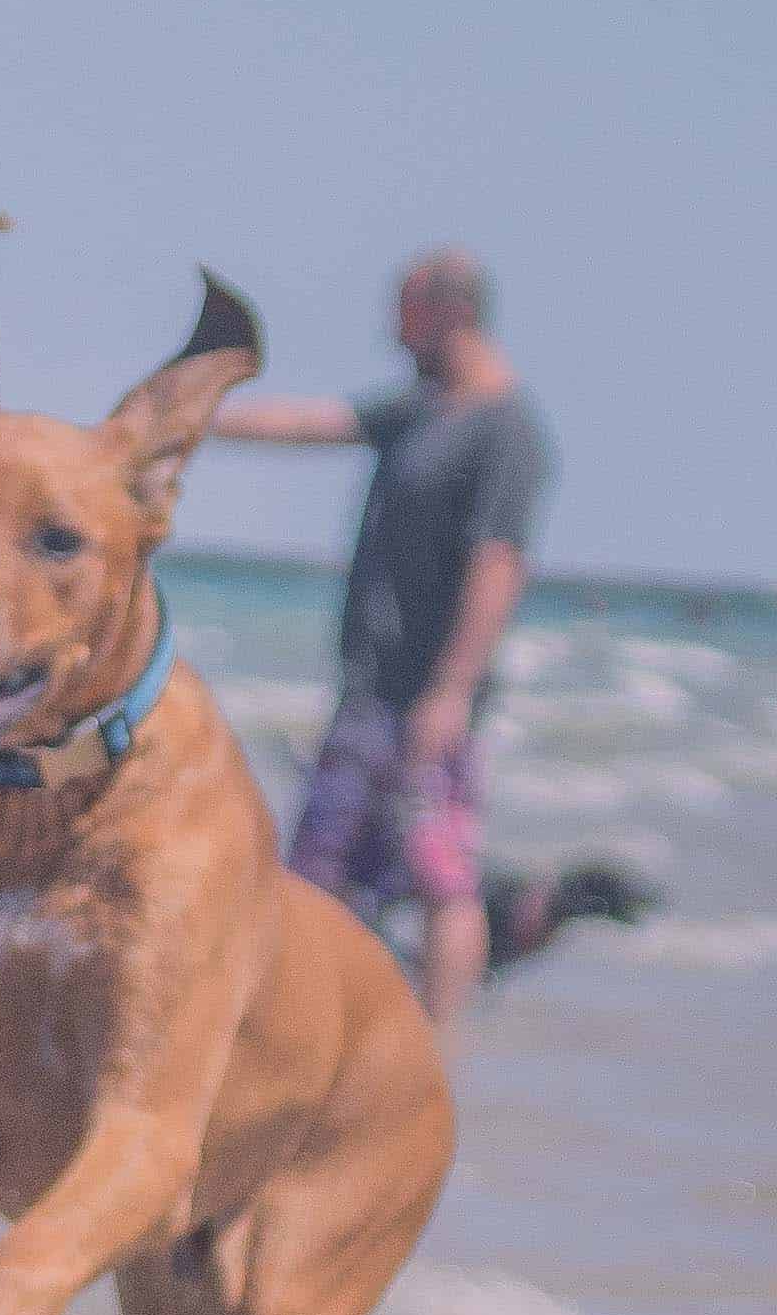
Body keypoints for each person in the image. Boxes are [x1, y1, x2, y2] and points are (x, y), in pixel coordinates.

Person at [212, 249, 648, 1019]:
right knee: (314, 869)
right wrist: (185, 417)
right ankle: (299, 1043)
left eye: (400, 311)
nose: (390, 329)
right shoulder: (422, 410)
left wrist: (448, 692)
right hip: (368, 689)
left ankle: (436, 1069)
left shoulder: (505, 430)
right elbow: (314, 423)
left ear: (444, 312)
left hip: (427, 697)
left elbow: (497, 566)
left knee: (442, 878)